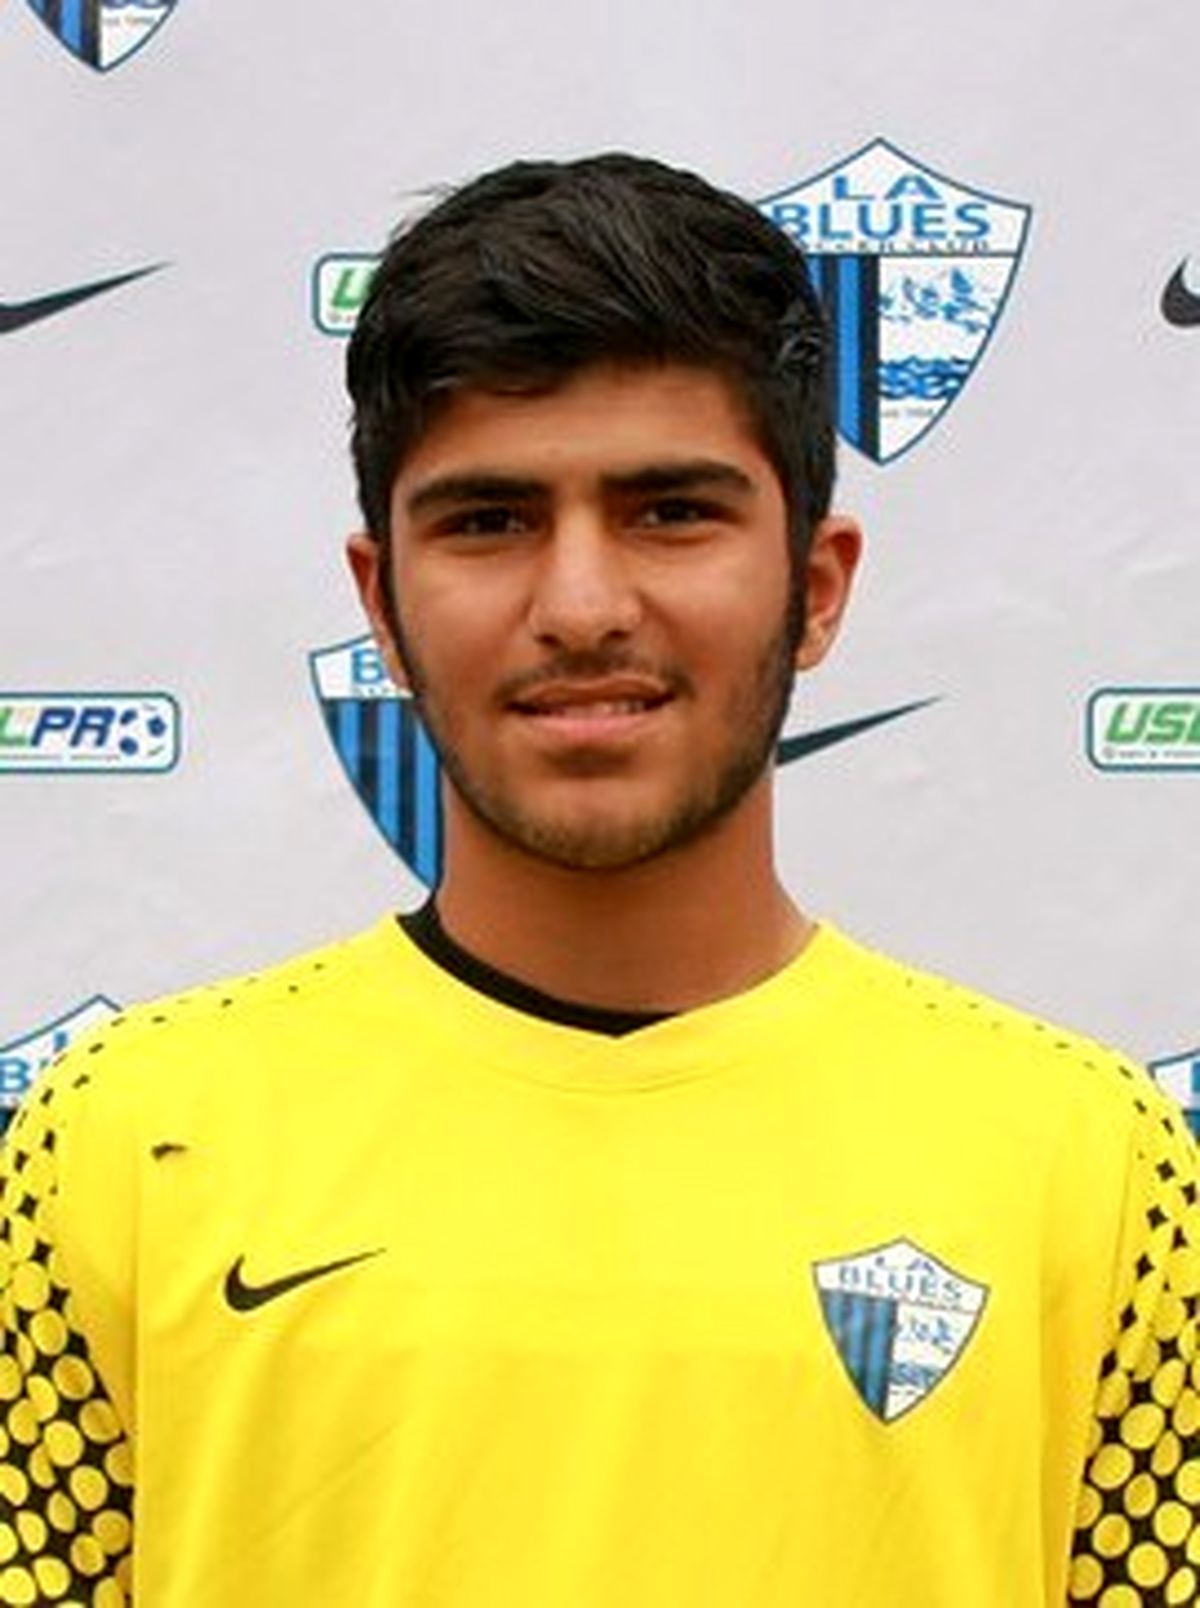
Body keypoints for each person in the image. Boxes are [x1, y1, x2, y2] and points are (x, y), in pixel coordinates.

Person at [1, 154, 1196, 1608]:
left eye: (671, 511)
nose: (579, 607)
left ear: (817, 586)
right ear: (381, 602)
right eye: (489, 520)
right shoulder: (121, 1141)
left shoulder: (1092, 1164)